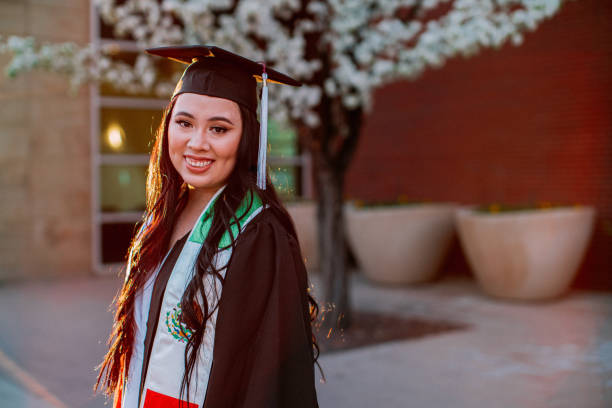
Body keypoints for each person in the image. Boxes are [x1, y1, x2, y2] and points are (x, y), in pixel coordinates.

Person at [94, 45, 320, 408]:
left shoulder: (256, 234)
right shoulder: (161, 220)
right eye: (184, 123)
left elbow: (270, 378)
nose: (197, 143)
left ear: (247, 137)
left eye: (219, 128)